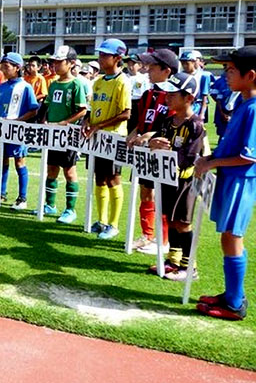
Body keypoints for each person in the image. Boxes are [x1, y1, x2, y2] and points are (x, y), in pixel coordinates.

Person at [194, 46, 256, 321]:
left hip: (241, 181)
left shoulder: (253, 108)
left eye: (230, 70)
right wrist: (210, 157)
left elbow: (248, 157)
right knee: (227, 236)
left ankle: (234, 302)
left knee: (232, 235)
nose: (225, 75)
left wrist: (212, 163)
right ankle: (232, 294)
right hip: (230, 178)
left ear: (250, 75)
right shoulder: (243, 103)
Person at [145, 72, 205, 281]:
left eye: (172, 93)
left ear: (188, 98)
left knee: (182, 222)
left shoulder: (195, 125)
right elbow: (157, 141)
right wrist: (152, 144)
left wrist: (167, 152)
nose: (167, 97)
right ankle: (173, 260)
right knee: (170, 219)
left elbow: (188, 157)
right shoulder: (168, 120)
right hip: (167, 178)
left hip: (185, 181)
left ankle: (190, 266)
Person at [127, 48, 179, 254]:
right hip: (143, 152)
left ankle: (163, 240)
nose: (147, 69)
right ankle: (147, 235)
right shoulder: (148, 93)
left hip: (164, 152)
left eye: (153, 66)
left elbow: (174, 124)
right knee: (145, 192)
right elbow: (142, 122)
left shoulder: (175, 95)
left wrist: (152, 135)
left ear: (166, 70)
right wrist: (134, 132)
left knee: (163, 196)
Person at [82, 38, 131, 241]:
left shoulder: (123, 81)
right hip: (97, 137)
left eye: (105, 55)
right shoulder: (99, 81)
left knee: (113, 179)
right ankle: (101, 220)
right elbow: (92, 107)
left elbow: (126, 113)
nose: (100, 58)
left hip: (114, 137)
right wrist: (87, 120)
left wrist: (98, 125)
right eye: (100, 54)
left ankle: (113, 224)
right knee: (98, 178)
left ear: (117, 58)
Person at [41, 46, 87, 223]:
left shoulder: (76, 84)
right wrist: (45, 120)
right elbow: (48, 105)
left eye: (60, 62)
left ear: (71, 63)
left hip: (68, 135)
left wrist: (64, 123)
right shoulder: (53, 84)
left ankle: (70, 209)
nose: (55, 65)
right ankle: (50, 204)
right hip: (53, 134)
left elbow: (82, 110)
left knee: (69, 171)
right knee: (51, 169)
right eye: (55, 62)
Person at [0, 52, 39, 209]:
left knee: (19, 162)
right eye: (3, 65)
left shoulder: (25, 87)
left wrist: (18, 122)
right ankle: (1, 194)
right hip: (3, 129)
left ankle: (22, 198)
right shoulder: (2, 86)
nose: (3, 68)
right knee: (2, 160)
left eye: (7, 65)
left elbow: (34, 110)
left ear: (17, 67)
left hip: (18, 130)